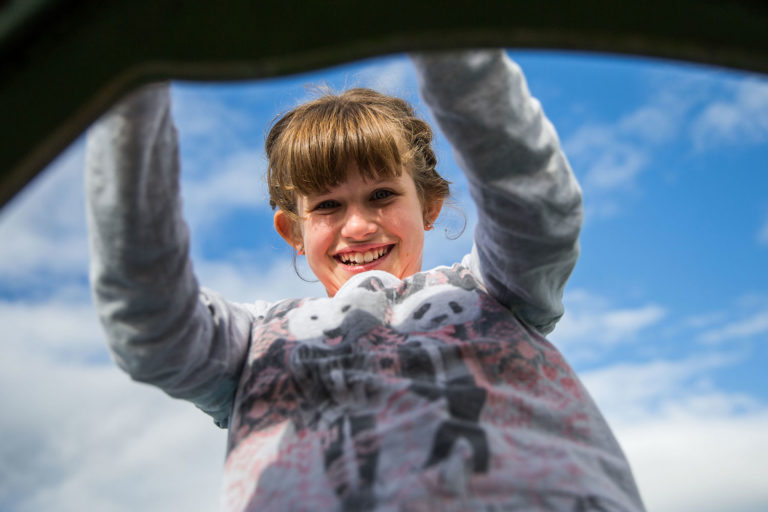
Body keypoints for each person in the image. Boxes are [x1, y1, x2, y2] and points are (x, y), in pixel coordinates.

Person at [86, 49, 645, 511]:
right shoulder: (252, 342)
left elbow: (537, 206)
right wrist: (130, 91)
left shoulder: (497, 291)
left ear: (430, 203)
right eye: (327, 206)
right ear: (293, 230)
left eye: (382, 195)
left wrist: (449, 42)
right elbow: (148, 318)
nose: (358, 225)